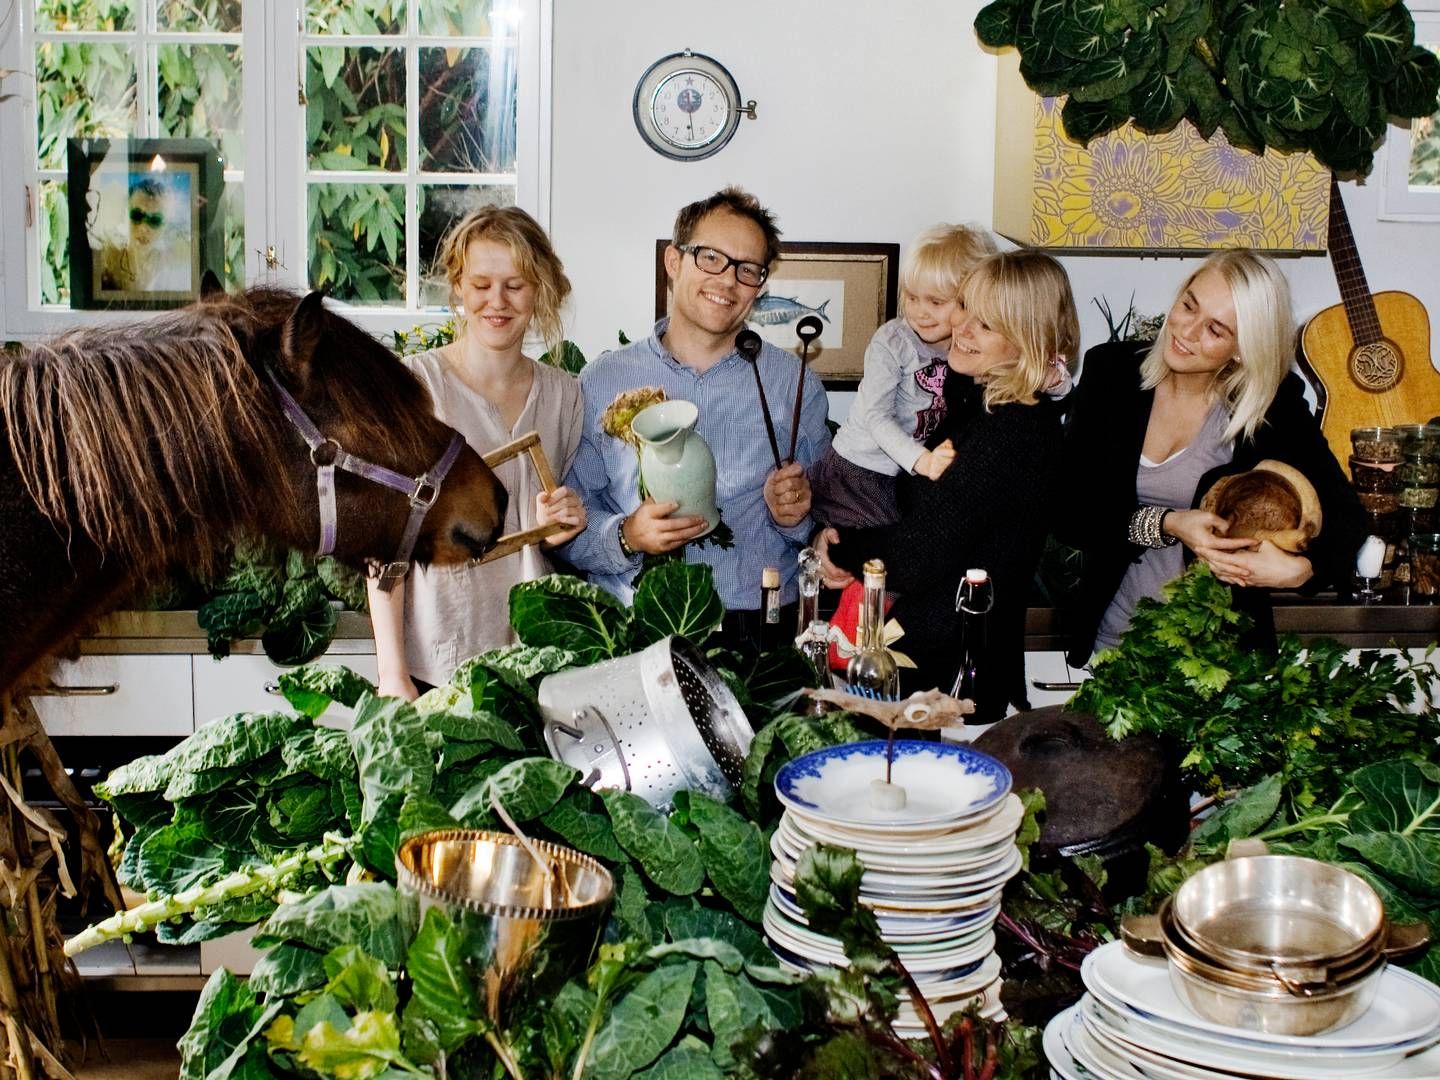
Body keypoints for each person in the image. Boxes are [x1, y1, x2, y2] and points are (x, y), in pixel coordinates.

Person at [1057, 249, 1364, 666]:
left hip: (1221, 662)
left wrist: (1304, 568)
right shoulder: (1111, 372)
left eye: (1215, 330)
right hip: (1115, 643)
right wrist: (1168, 524)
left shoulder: (1270, 405)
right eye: (1188, 305)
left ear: (1242, 349)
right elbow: (1069, 509)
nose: (1186, 331)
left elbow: (1348, 519)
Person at [561, 187, 830, 648]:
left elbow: (828, 528)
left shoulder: (793, 384)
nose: (728, 281)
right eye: (711, 258)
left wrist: (798, 517)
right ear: (673, 262)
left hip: (760, 632)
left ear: (760, 286)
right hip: (638, 629)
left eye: (748, 270)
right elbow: (567, 524)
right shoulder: (604, 379)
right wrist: (627, 536)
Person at [817, 249, 1080, 719]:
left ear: (1027, 341)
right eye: (965, 308)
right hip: (949, 661)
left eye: (987, 324)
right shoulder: (990, 408)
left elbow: (921, 553)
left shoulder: (1009, 428)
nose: (962, 328)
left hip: (950, 674)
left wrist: (842, 550)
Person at [368, 206, 586, 699]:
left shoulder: (565, 397)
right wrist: (391, 673)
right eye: (482, 283)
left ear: (541, 289)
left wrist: (562, 526)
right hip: (436, 660)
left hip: (534, 664)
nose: (498, 301)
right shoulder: (416, 388)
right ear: (458, 286)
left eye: (516, 284)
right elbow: (385, 549)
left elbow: (550, 532)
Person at [809, 224, 997, 528]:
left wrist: (1054, 385)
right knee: (883, 555)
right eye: (912, 297)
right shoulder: (893, 342)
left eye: (936, 302)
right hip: (859, 471)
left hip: (902, 471)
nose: (920, 312)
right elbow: (876, 415)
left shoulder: (963, 347)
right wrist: (923, 461)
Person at [97, 175, 193, 294]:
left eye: (155, 220)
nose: (143, 228)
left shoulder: (173, 266)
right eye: (137, 215)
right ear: (126, 215)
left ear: (165, 226)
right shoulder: (107, 257)